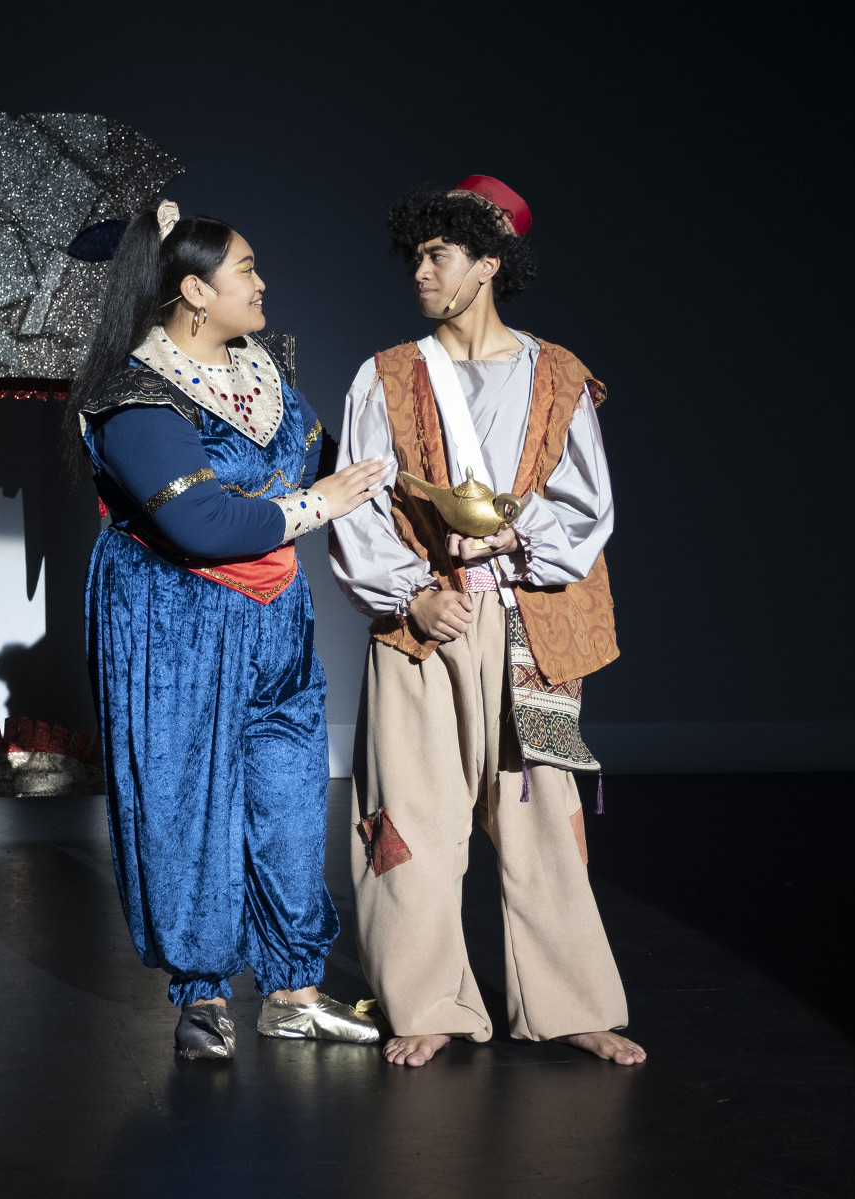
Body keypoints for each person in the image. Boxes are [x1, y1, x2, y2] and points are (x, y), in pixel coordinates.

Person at [329, 176, 646, 1068]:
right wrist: (412, 595)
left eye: (439, 255)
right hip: (423, 626)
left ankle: (571, 1004)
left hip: (533, 628)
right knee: (412, 812)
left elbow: (586, 507)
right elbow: (358, 505)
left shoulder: (560, 377)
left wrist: (515, 535)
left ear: (489, 264)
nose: (420, 271)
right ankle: (426, 999)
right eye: (416, 254)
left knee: (545, 817)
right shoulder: (385, 376)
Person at [68, 200, 389, 1059]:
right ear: (194, 291)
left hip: (275, 619)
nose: (261, 282)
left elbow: (330, 460)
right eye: (245, 268)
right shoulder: (134, 394)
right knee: (188, 803)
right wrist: (320, 504)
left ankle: (293, 991)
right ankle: (203, 997)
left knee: (290, 800)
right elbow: (203, 524)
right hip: (176, 624)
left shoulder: (263, 368)